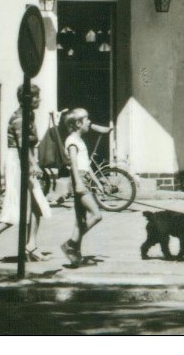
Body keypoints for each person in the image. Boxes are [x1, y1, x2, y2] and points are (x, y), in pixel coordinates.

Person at [0, 84, 51, 261]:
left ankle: (31, 245)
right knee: (16, 205)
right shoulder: (20, 118)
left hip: (25, 159)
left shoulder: (29, 115)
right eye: (36, 97)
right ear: (28, 98)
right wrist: (33, 164)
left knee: (37, 203)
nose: (39, 100)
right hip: (18, 161)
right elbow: (23, 146)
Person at [60, 108, 104, 266]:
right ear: (78, 123)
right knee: (97, 215)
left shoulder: (79, 140)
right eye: (87, 119)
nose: (89, 122)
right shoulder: (72, 141)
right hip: (79, 180)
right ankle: (71, 244)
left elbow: (87, 165)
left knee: (80, 221)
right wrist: (78, 183)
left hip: (83, 178)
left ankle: (75, 257)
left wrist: (97, 182)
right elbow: (73, 164)